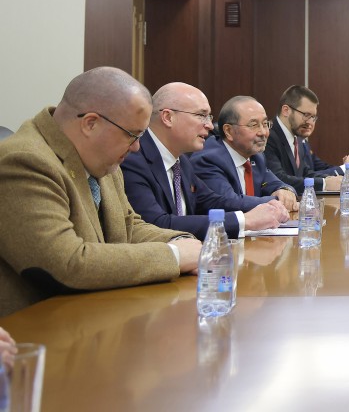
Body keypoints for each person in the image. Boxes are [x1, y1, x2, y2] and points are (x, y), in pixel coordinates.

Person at [0, 67, 201, 317]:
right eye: (132, 135)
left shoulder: (102, 160)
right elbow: (66, 263)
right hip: (38, 328)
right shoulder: (25, 161)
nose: (137, 148)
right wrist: (174, 256)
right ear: (90, 123)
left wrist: (180, 242)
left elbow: (129, 227)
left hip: (95, 316)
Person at [121, 83, 289, 240]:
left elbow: (211, 201)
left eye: (209, 117)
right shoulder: (133, 158)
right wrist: (244, 220)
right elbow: (156, 224)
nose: (209, 125)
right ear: (168, 117)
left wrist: (268, 205)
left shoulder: (181, 161)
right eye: (201, 115)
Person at [190, 96, 298, 211]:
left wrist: (285, 190)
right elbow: (228, 203)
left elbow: (275, 183)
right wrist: (277, 201)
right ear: (228, 131)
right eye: (253, 125)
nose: (263, 132)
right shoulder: (208, 159)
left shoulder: (256, 157)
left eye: (265, 124)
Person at [264, 85, 349, 194]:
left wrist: (345, 170)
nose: (310, 122)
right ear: (286, 110)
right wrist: (325, 183)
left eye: (313, 117)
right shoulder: (267, 136)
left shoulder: (297, 137)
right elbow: (279, 180)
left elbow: (306, 174)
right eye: (306, 115)